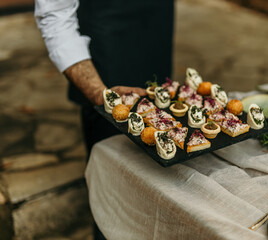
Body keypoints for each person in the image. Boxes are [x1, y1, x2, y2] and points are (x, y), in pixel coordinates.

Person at [35, 0, 174, 239]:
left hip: (155, 43)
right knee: (114, 197)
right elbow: (54, 16)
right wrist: (100, 95)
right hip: (106, 68)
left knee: (159, 188)